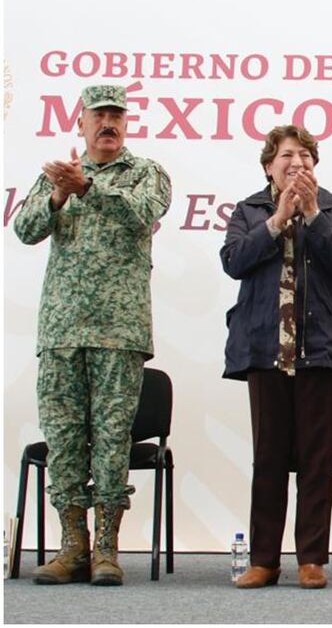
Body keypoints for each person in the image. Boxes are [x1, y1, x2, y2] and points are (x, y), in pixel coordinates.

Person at [13, 84, 172, 585]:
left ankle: (106, 549)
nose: (108, 124)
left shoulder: (145, 172)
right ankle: (72, 547)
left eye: (116, 116)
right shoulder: (58, 175)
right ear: (80, 123)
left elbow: (142, 213)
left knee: (110, 441)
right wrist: (58, 195)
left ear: (126, 123)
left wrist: (87, 189)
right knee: (64, 440)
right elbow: (24, 229)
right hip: (61, 329)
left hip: (119, 332)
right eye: (99, 116)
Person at [221, 125, 332, 590]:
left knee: (317, 460)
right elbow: (234, 261)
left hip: (321, 349)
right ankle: (264, 559)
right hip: (265, 348)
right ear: (269, 166)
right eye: (287, 155)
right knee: (268, 459)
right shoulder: (249, 210)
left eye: (305, 156)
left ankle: (312, 559)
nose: (297, 163)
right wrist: (278, 219)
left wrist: (313, 214)